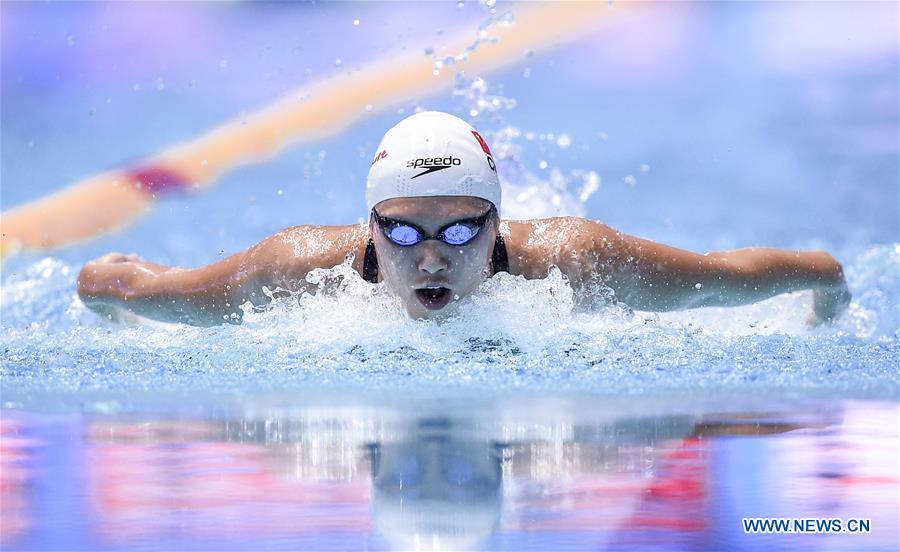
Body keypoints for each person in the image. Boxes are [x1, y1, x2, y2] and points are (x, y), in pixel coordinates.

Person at [77, 111, 851, 326]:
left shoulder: (575, 261)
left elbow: (727, 279)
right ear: (370, 225)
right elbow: (128, 287)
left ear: (497, 225)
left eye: (459, 230)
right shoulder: (295, 270)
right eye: (402, 231)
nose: (431, 258)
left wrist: (827, 296)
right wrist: (110, 292)